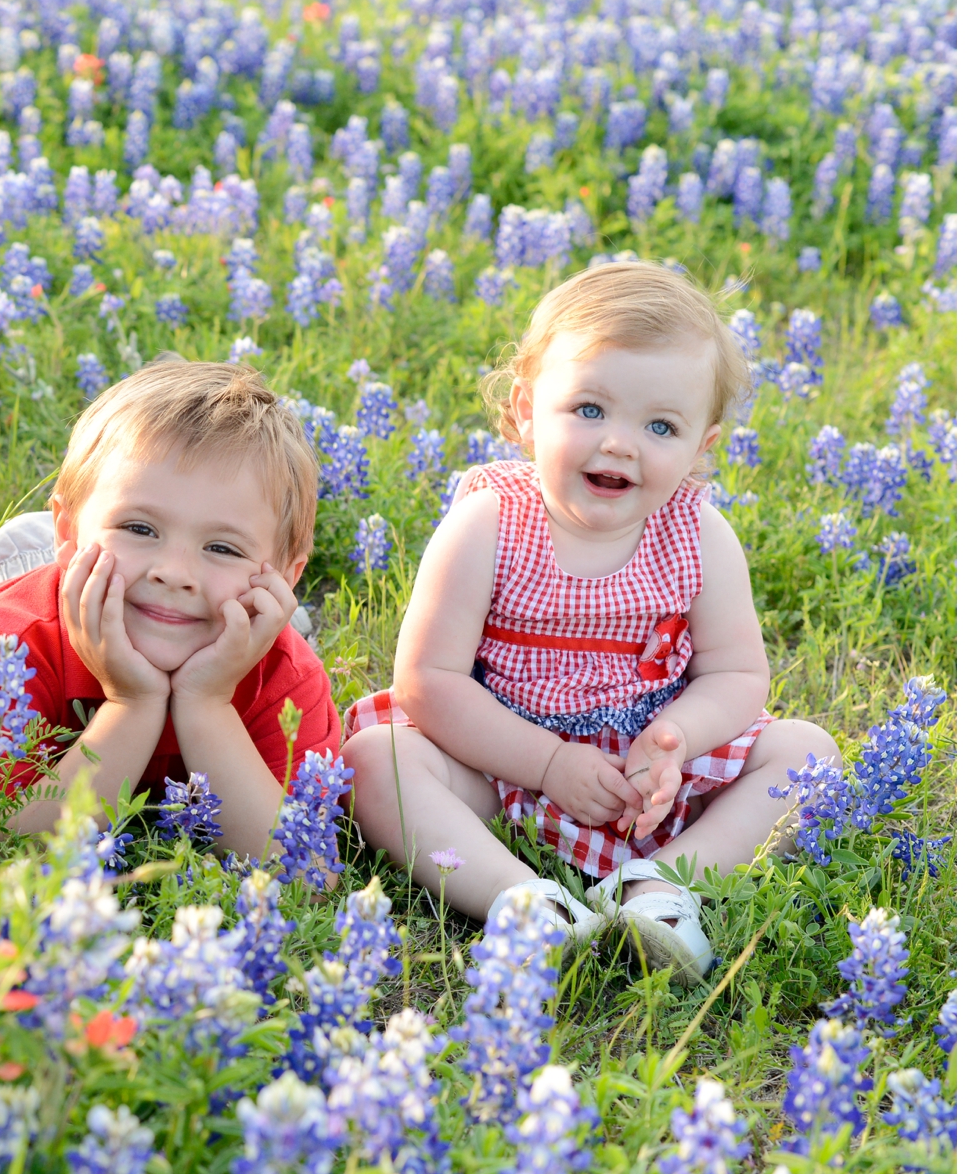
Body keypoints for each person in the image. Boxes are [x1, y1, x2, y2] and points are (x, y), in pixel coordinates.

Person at [339, 260, 840, 983]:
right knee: (374, 760)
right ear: (523, 410)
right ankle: (520, 903)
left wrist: (676, 739)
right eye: (589, 410)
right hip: (500, 763)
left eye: (661, 425)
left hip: (648, 783)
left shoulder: (699, 534)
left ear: (703, 449)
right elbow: (427, 681)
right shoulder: (488, 523)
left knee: (808, 751)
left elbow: (737, 674)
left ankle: (660, 888)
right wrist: (546, 763)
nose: (619, 443)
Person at [0, 353, 338, 860]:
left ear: (285, 576)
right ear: (68, 530)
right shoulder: (9, 643)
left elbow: (308, 871)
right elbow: (3, 840)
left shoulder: (286, 673)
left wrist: (207, 704)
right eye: (140, 526)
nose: (174, 571)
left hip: (106, 569)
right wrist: (133, 703)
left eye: (222, 547)